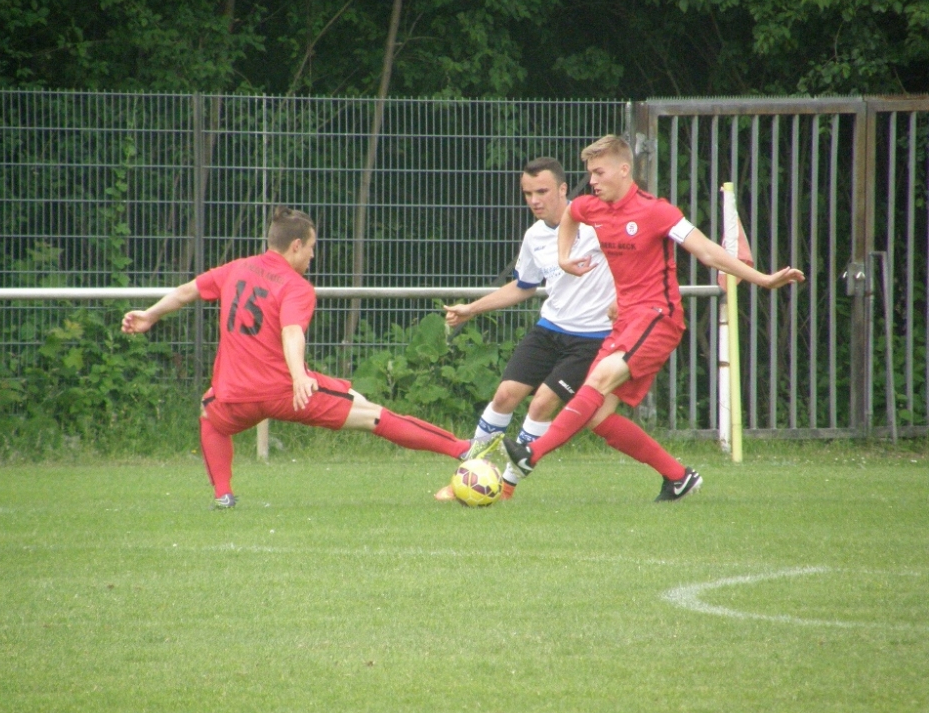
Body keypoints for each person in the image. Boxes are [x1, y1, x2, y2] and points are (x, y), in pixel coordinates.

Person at [503, 135, 806, 501]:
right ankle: (678, 477)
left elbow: (708, 252)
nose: (593, 180)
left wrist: (764, 279)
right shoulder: (592, 207)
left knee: (596, 381)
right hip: (626, 320)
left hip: (658, 317)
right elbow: (570, 215)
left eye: (598, 172)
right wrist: (564, 256)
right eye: (589, 173)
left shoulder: (656, 211)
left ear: (624, 169)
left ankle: (530, 456)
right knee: (597, 418)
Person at [122, 206, 481, 508]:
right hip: (285, 392)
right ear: (295, 245)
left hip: (233, 396)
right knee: (374, 416)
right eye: (311, 247)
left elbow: (186, 292)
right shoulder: (295, 287)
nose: (313, 255)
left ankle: (224, 495)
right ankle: (463, 448)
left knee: (209, 416)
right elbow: (291, 332)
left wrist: (150, 315)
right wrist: (298, 377)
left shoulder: (237, 268)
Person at [434, 156, 616, 502]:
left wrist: (624, 297)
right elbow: (524, 286)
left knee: (541, 405)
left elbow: (633, 257)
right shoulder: (534, 236)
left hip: (591, 338)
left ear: (563, 189)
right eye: (528, 193)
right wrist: (470, 309)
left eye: (542, 191)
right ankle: (467, 474)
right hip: (549, 329)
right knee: (504, 397)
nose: (534, 200)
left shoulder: (596, 222)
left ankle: (505, 487)